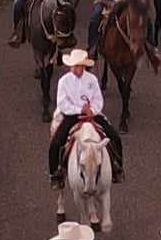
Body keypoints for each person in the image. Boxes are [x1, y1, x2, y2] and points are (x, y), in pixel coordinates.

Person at [46, 50, 124, 186]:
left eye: (79, 65)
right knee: (56, 142)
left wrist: (92, 111)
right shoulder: (64, 81)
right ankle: (55, 174)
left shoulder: (92, 79)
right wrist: (79, 110)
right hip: (72, 116)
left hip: (92, 115)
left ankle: (117, 167)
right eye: (74, 65)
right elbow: (62, 104)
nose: (76, 68)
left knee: (114, 136)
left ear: (83, 66)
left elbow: (98, 99)